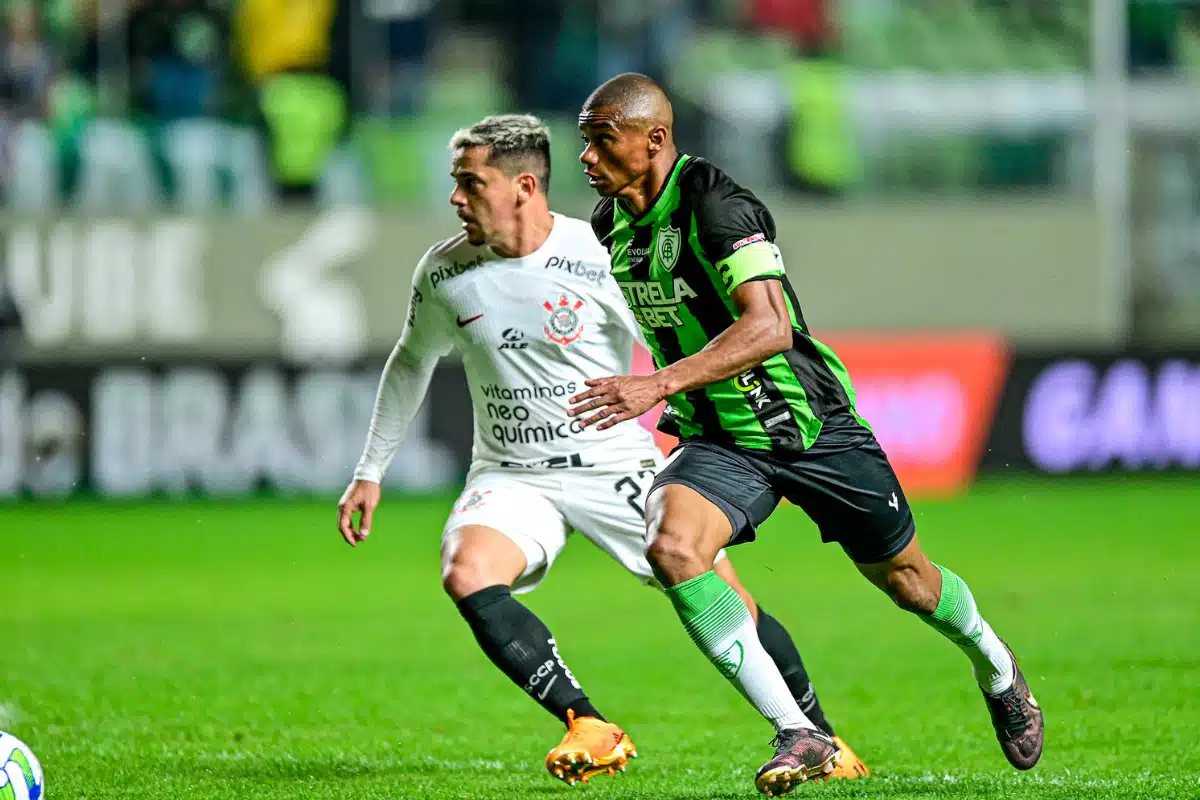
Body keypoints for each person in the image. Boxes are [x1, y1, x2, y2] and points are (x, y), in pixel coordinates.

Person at [336, 114, 869, 788]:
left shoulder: (598, 253)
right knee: (466, 570)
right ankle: (586, 721)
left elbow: (682, 335)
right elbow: (409, 362)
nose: (455, 199)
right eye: (456, 184)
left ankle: (817, 732)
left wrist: (710, 418)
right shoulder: (445, 272)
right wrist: (369, 471)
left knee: (722, 597)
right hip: (511, 472)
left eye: (470, 184)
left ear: (523, 185)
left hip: (614, 464)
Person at [571, 74, 1043, 796]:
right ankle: (800, 731)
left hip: (812, 430)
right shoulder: (612, 224)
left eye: (603, 139)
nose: (588, 158)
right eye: (585, 142)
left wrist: (657, 383)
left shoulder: (716, 204)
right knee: (672, 545)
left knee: (910, 584)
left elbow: (770, 326)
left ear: (654, 139)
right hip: (722, 440)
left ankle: (996, 664)